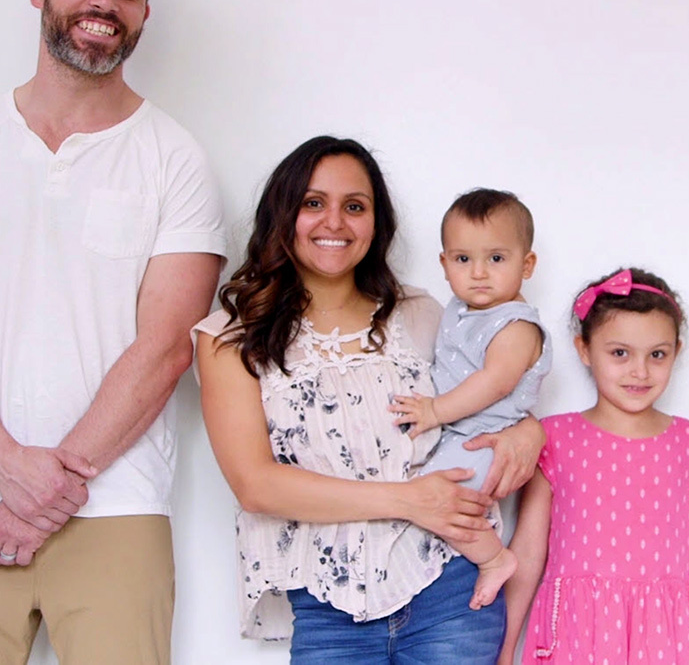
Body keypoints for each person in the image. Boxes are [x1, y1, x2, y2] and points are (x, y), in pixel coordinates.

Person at [194, 137, 545, 663]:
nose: (334, 222)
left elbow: (490, 395)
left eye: (354, 206)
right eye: (313, 203)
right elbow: (255, 485)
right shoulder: (230, 336)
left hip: (450, 587)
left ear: (375, 224)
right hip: (328, 605)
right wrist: (407, 499)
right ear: (282, 214)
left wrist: (528, 431)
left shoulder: (423, 314)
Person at [0, 0, 226, 664]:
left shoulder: (175, 158)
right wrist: (7, 466)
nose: (105, 2)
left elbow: (166, 349)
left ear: (144, 14)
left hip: (117, 508)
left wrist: (49, 490)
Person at [499, 268, 689, 664]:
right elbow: (528, 554)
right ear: (584, 349)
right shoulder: (554, 439)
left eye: (657, 354)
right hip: (575, 633)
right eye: (620, 353)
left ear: (677, 352)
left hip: (665, 639)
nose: (640, 371)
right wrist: (503, 651)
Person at [389, 188, 551, 611]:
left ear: (527, 264)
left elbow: (496, 382)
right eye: (463, 259)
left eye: (496, 258)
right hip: (458, 434)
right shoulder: (458, 309)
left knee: (448, 505)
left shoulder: (516, 325)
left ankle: (495, 559)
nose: (478, 272)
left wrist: (435, 411)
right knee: (430, 500)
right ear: (444, 265)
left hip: (485, 438)